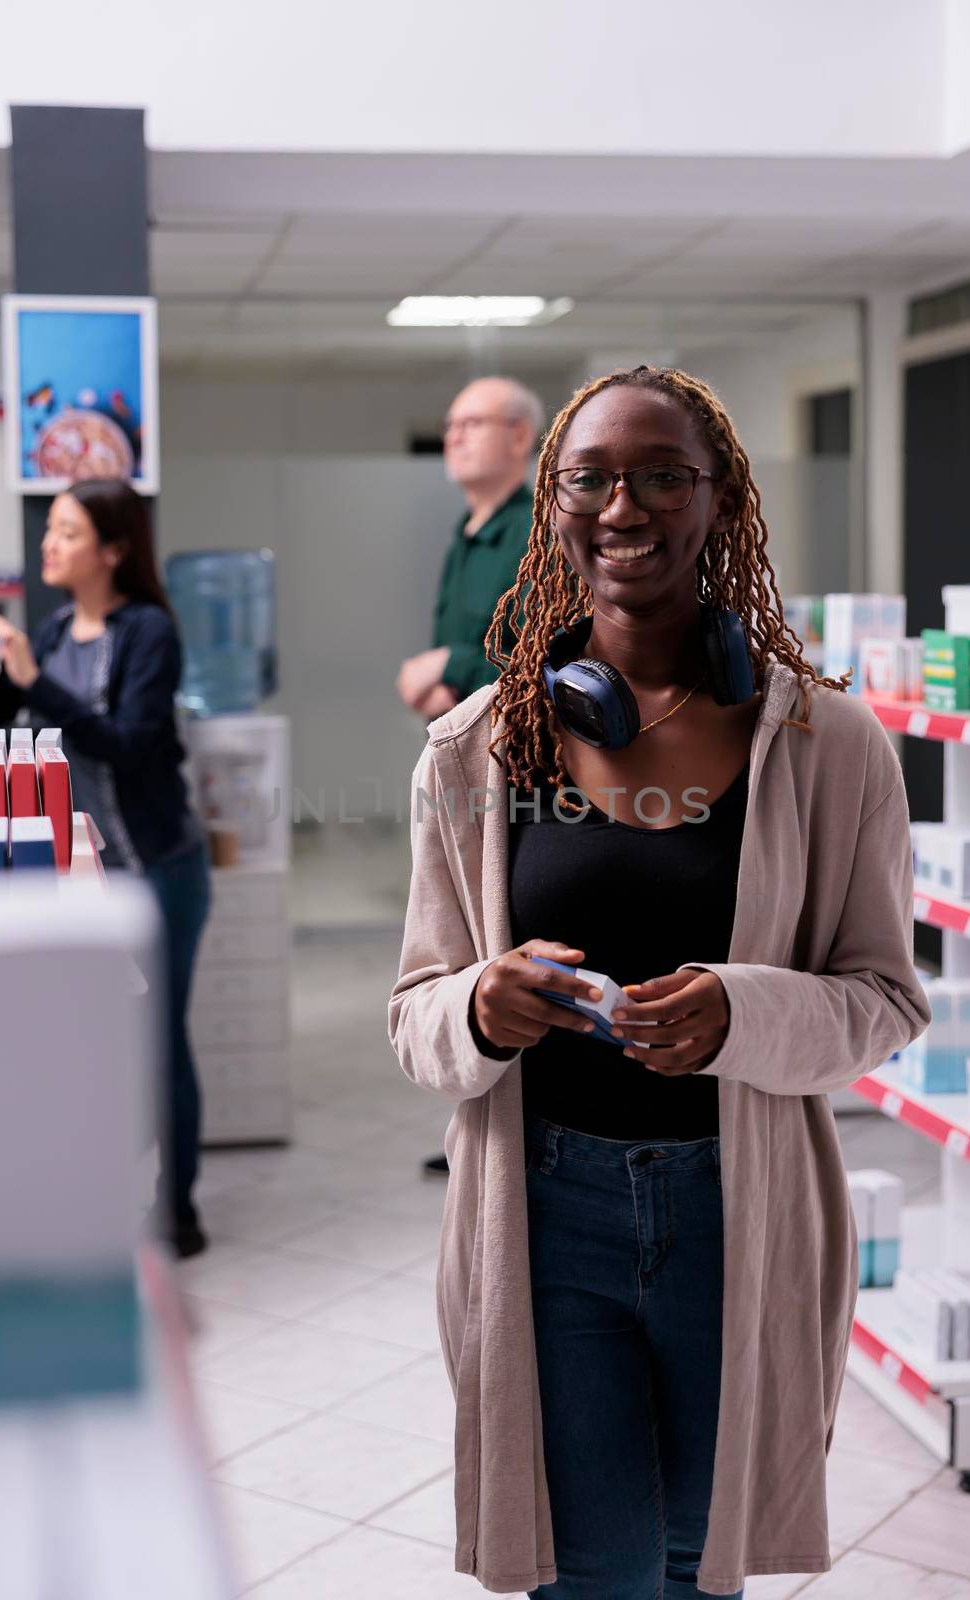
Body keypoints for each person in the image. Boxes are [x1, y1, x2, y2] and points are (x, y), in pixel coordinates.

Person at [388, 366, 931, 1597]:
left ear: (720, 499)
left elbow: (884, 999)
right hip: (543, 1214)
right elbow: (413, 1010)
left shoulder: (828, 748)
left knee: (701, 1559)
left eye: (661, 474)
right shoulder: (476, 746)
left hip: (741, 1208)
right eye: (590, 476)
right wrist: (477, 1004)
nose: (621, 504)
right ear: (553, 502)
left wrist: (745, 1009)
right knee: (593, 1569)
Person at [0, 479, 212, 1260]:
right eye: (52, 530)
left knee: (160, 1037)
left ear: (112, 550)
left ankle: (177, 1211)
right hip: (88, 876)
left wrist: (36, 681)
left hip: (160, 867)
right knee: (100, 1041)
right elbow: (11, 739)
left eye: (67, 532)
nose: (49, 544)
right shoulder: (48, 633)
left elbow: (130, 743)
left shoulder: (147, 632)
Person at [396, 375, 544, 1175]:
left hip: (520, 777)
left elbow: (540, 638)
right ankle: (475, 1118)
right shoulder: (468, 528)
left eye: (473, 422)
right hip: (462, 766)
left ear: (520, 438)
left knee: (503, 942)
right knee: (455, 953)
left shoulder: (532, 529)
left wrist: (444, 665)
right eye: (449, 423)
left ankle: (515, 1128)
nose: (454, 435)